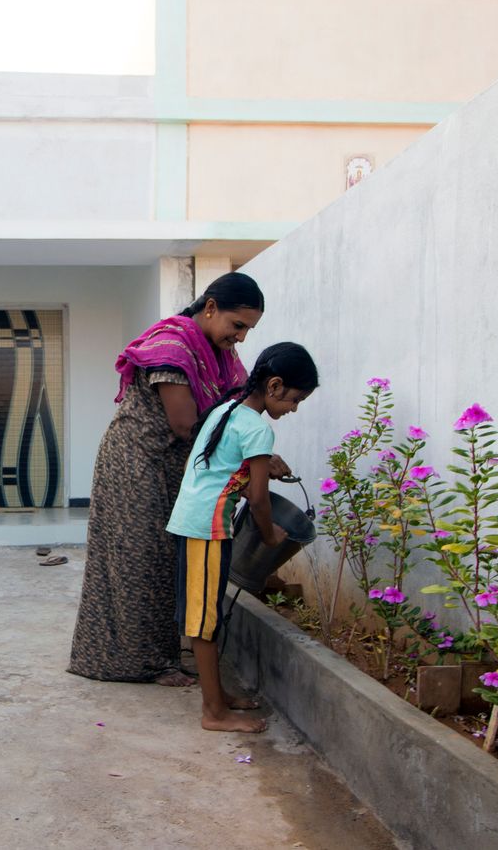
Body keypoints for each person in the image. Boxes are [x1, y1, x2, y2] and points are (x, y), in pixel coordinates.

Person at [69, 273, 287, 685]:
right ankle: (139, 663)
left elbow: (238, 410)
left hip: (176, 467)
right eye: (237, 325)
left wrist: (262, 452)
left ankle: (159, 656)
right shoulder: (172, 347)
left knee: (167, 560)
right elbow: (187, 424)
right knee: (139, 561)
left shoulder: (220, 355)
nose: (240, 337)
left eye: (248, 330)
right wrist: (255, 456)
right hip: (135, 464)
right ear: (209, 308)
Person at [167, 342, 319, 732]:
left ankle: (218, 697)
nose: (295, 409)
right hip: (207, 527)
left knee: (209, 616)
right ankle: (213, 713)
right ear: (275, 386)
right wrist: (269, 537)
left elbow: (226, 463)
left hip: (199, 521)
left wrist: (264, 465)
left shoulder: (230, 408)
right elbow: (258, 500)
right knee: (204, 621)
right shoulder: (257, 428)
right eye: (295, 399)